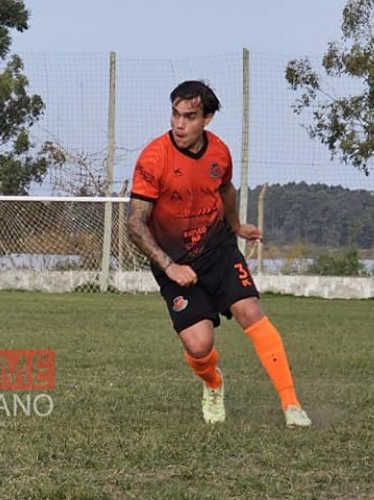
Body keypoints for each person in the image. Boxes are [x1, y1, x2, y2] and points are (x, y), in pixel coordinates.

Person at [127, 80, 310, 427]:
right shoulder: (154, 158)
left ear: (207, 119)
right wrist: (169, 266)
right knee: (199, 345)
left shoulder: (220, 153)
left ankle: (292, 405)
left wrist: (236, 224)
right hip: (174, 261)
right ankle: (213, 383)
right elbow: (135, 225)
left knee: (250, 310)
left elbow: (225, 188)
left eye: (190, 116)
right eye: (175, 114)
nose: (179, 124)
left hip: (218, 248)